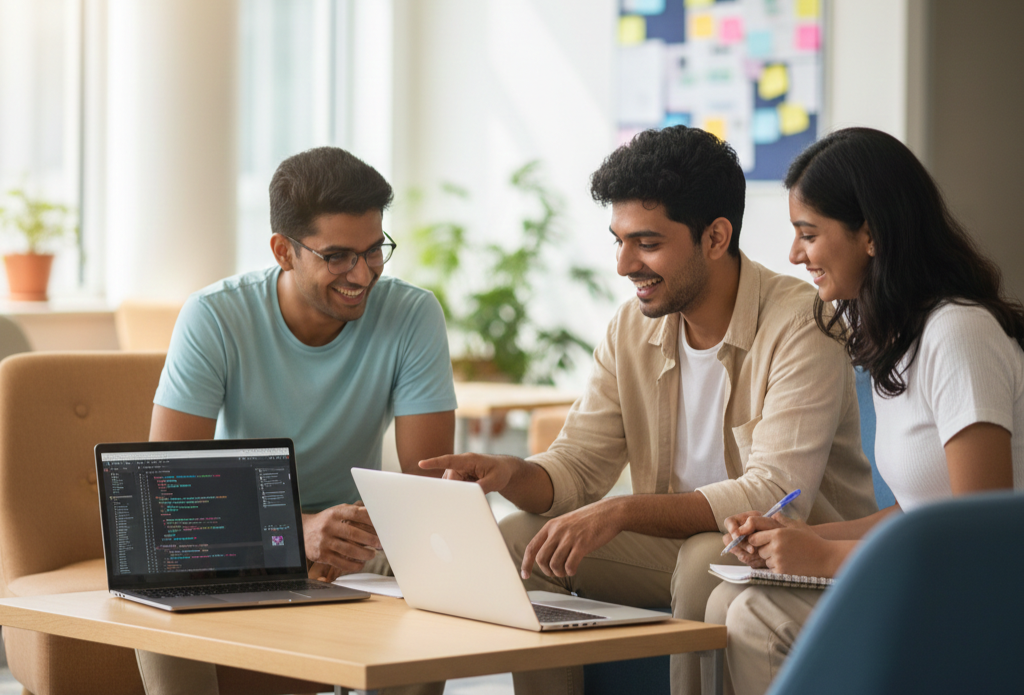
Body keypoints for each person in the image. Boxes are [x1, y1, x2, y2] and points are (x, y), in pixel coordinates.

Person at [419, 126, 878, 695]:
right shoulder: (631, 327)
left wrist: (622, 511)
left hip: (788, 555)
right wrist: (511, 472)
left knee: (703, 558)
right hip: (680, 553)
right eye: (618, 240)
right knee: (523, 539)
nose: (623, 264)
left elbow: (772, 492)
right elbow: (580, 466)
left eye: (647, 243)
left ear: (715, 237)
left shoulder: (801, 322)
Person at [705, 127, 1024, 695]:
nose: (794, 254)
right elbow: (917, 513)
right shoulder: (898, 340)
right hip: (937, 584)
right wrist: (795, 538)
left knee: (755, 615)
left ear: (870, 235)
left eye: (808, 234)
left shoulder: (959, 334)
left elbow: (982, 542)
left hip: (986, 605)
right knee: (731, 597)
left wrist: (824, 555)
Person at [135, 146, 457, 695]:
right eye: (337, 256)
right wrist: (294, 531)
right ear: (284, 251)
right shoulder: (215, 316)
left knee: (434, 571)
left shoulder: (411, 313)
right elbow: (171, 488)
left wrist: (348, 536)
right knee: (158, 576)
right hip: (240, 537)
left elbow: (424, 485)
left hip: (359, 539)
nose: (363, 273)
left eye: (374, 249)